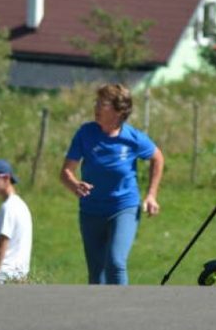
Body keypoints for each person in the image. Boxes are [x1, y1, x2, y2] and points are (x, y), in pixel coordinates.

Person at [60, 83, 165, 285]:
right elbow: (66, 172)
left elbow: (157, 157)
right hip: (91, 210)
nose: (96, 107)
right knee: (96, 273)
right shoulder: (85, 133)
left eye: (102, 103)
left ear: (118, 111)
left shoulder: (132, 138)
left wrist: (151, 195)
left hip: (123, 207)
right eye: (96, 102)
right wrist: (75, 185)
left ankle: (122, 312)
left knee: (116, 262)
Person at [0, 159, 32, 282]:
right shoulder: (20, 205)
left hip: (4, 276)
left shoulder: (9, 208)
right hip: (18, 276)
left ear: (6, 178)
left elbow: (1, 248)